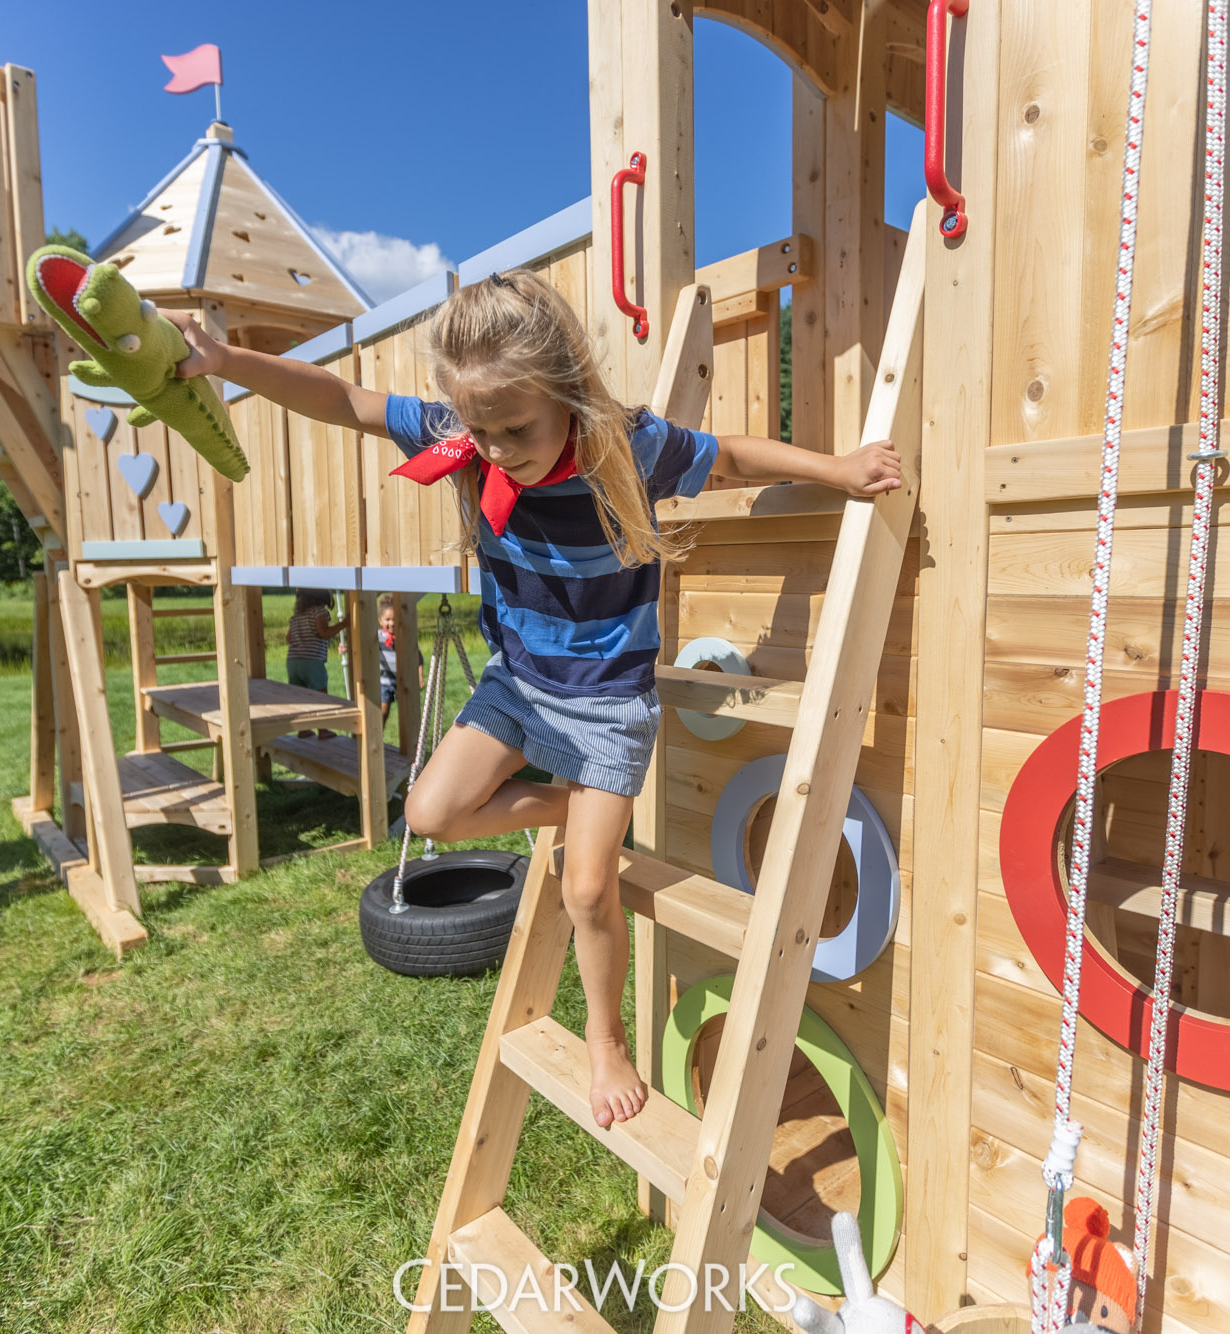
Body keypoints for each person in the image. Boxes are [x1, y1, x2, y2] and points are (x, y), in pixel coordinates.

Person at [166, 269, 900, 1127]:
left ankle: (605, 1039)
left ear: (566, 394)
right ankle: (584, 811)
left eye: (516, 428)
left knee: (587, 892)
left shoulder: (629, 447)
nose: (497, 448)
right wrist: (225, 360)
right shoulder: (462, 437)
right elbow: (343, 400)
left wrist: (838, 468)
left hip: (608, 703)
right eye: (480, 430)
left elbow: (731, 455)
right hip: (517, 686)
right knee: (430, 814)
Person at [283, 589, 347, 738]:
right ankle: (323, 729)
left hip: (293, 661)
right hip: (312, 661)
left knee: (301, 697)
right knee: (321, 696)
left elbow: (288, 639)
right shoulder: (319, 611)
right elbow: (324, 632)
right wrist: (344, 624)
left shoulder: (296, 616)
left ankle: (303, 729)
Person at [375, 593, 425, 726]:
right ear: (380, 621)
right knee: (383, 712)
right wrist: (346, 648)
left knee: (408, 714)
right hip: (385, 681)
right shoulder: (377, 637)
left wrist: (420, 676)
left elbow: (418, 657)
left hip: (403, 680)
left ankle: (412, 738)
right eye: (387, 619)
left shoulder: (404, 635)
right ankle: (379, 735)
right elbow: (361, 645)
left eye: (394, 619)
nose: (391, 623)